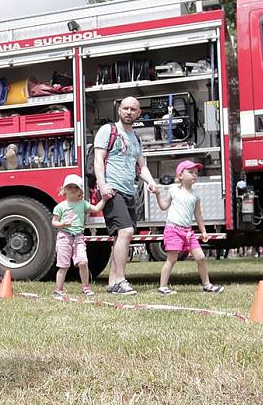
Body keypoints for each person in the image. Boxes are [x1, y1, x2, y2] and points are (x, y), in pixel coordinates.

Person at [94, 96, 158, 296]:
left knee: (121, 237)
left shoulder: (136, 138)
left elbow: (142, 166)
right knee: (126, 232)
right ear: (119, 110)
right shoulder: (108, 131)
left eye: (133, 109)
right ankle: (121, 280)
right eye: (125, 108)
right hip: (113, 191)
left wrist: (151, 182)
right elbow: (98, 160)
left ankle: (113, 282)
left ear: (139, 113)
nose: (129, 112)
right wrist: (102, 185)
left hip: (130, 192)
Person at [152, 160, 224, 295]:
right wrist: (157, 194)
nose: (194, 175)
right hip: (173, 229)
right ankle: (162, 287)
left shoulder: (195, 195)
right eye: (190, 172)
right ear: (180, 175)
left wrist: (203, 231)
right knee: (172, 259)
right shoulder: (173, 190)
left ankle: (207, 285)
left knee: (201, 257)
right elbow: (163, 206)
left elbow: (198, 215)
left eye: (196, 173)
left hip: (188, 232)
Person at [51, 174, 106, 297]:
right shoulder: (60, 207)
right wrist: (62, 223)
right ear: (64, 190)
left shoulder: (83, 204)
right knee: (63, 265)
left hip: (79, 237)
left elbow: (96, 209)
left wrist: (104, 199)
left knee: (83, 262)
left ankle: (86, 287)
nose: (72, 189)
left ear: (80, 191)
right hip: (64, 237)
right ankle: (58, 289)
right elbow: (54, 222)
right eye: (69, 187)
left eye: (75, 187)